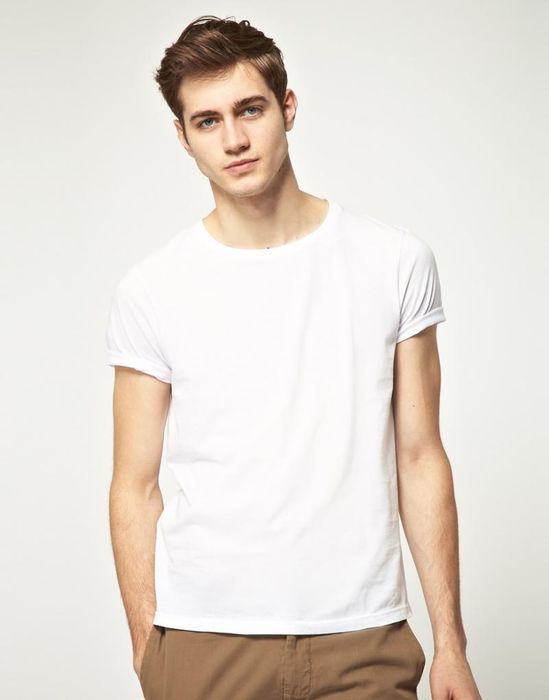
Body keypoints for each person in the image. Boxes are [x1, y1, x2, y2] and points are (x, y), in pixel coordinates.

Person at [105, 14, 482, 700]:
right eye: (208, 121)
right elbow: (134, 483)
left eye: (250, 110)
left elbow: (420, 455)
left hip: (362, 636)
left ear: (287, 108)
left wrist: (450, 644)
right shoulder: (152, 288)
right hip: (203, 640)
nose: (234, 139)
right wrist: (146, 650)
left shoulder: (394, 262)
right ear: (184, 136)